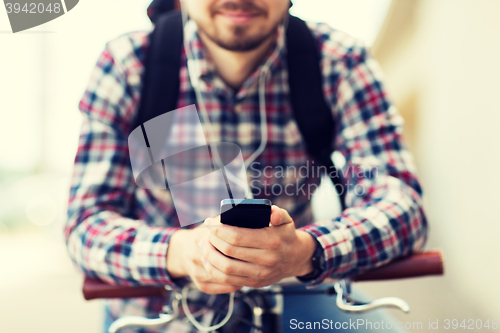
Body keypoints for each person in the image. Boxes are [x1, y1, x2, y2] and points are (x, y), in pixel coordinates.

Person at [65, 0, 428, 332]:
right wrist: (182, 253)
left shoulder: (338, 61)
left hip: (292, 298)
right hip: (159, 313)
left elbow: (402, 205)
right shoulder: (129, 65)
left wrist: (305, 251)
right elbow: (86, 224)